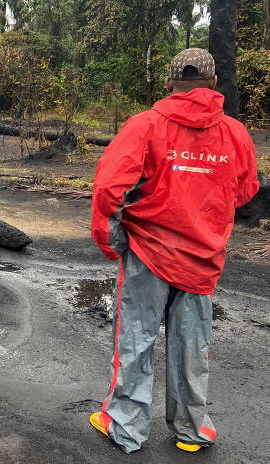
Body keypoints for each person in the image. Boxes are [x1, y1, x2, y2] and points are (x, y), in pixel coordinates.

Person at [88, 48, 259, 454]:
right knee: (191, 346)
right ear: (213, 84)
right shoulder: (236, 133)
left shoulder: (145, 126)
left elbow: (110, 190)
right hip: (203, 260)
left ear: (168, 83)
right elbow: (246, 189)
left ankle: (125, 427)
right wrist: (204, 212)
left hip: (148, 255)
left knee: (135, 340)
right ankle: (192, 431)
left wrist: (112, 243)